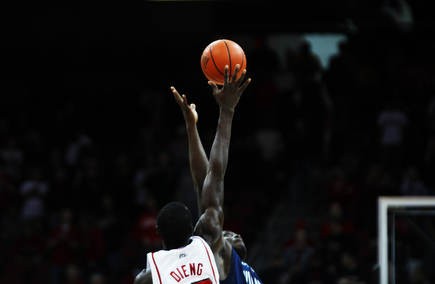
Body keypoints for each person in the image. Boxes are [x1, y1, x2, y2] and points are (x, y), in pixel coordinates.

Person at [134, 65, 251, 284]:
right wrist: (227, 111)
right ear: (195, 232)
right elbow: (213, 178)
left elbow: (203, 183)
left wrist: (191, 127)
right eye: (224, 234)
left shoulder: (152, 276)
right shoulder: (217, 257)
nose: (230, 234)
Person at [172, 64, 263, 284]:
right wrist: (196, 124)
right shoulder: (227, 264)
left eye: (228, 233)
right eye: (227, 233)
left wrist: (224, 112)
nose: (232, 233)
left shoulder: (237, 266)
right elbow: (208, 187)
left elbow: (211, 184)